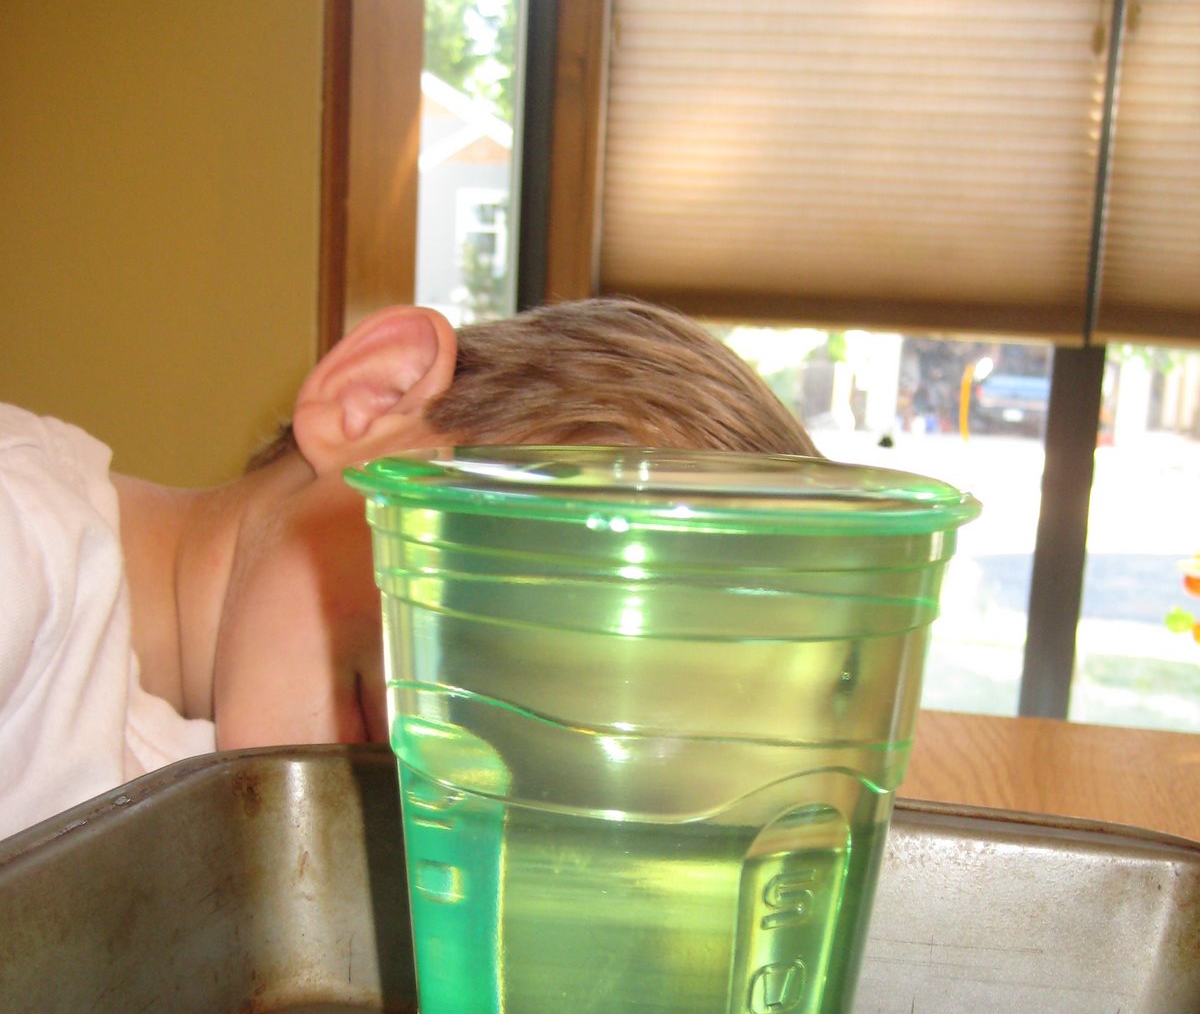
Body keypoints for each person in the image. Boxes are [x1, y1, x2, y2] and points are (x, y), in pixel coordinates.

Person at [0, 297, 817, 841]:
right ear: (370, 401)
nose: (474, 723)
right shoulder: (24, 547)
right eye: (524, 596)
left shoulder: (262, 814)